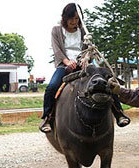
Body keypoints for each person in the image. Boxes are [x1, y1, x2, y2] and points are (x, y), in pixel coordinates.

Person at [39, 3, 130, 133]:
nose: (74, 21)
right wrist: (66, 61)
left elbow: (89, 49)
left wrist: (86, 58)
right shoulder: (56, 30)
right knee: (52, 87)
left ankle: (119, 113)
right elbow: (56, 49)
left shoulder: (83, 32)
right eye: (71, 18)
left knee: (107, 81)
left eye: (77, 18)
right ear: (64, 17)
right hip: (64, 65)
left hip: (84, 65)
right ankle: (47, 117)